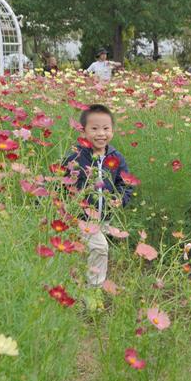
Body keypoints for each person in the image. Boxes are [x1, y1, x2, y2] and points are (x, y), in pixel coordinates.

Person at [62, 104, 133, 287]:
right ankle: (94, 289)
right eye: (94, 129)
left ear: (113, 131)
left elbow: (125, 184)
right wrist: (65, 208)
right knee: (100, 248)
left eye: (106, 128)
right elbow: (60, 182)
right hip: (80, 216)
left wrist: (121, 199)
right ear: (83, 131)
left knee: (84, 250)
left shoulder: (117, 157)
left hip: (104, 218)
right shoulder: (76, 157)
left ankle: (75, 283)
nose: (101, 133)